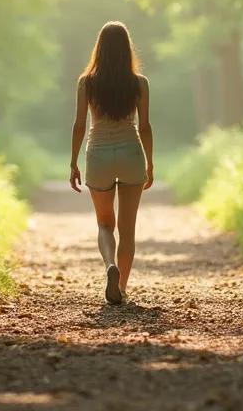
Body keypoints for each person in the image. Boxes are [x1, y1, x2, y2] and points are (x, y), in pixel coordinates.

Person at [68, 21, 154, 305]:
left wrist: (73, 163)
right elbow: (145, 127)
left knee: (105, 224)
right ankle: (123, 289)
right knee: (127, 230)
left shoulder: (87, 82)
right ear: (127, 48)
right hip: (131, 154)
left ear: (100, 48)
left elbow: (80, 124)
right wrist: (150, 164)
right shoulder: (139, 83)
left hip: (99, 155)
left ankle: (109, 266)